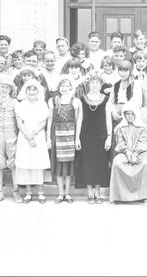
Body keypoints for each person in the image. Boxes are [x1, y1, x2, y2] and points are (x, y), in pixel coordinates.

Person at [75, 71, 112, 204]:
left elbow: (108, 119)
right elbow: (79, 119)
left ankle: (98, 191)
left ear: (101, 84)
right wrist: (77, 138)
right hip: (85, 134)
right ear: (88, 84)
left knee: (100, 163)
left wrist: (109, 137)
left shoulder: (106, 100)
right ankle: (89, 191)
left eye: (97, 82)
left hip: (101, 134)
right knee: (87, 163)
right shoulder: (82, 98)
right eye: (92, 82)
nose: (95, 85)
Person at [109, 102, 147, 203]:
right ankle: (120, 196)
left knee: (145, 164)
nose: (130, 116)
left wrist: (135, 153)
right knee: (117, 163)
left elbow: (143, 143)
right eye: (127, 114)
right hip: (124, 152)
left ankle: (143, 196)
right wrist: (127, 152)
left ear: (136, 115)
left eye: (132, 114)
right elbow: (120, 143)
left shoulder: (142, 128)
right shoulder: (120, 128)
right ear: (124, 115)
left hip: (140, 152)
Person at [47, 76, 82, 204]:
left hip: (70, 134)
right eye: (62, 85)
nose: (64, 88)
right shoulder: (53, 100)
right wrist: (48, 139)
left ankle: (67, 193)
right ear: (58, 87)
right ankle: (60, 193)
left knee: (68, 165)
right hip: (56, 133)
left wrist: (77, 138)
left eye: (67, 86)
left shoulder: (75, 101)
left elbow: (78, 120)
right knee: (58, 165)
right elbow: (50, 119)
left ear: (71, 87)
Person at [15, 79, 51, 204]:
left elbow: (43, 122)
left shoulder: (42, 104)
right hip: (24, 136)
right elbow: (19, 122)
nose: (31, 92)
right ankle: (28, 192)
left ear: (38, 91)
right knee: (26, 163)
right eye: (29, 89)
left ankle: (40, 192)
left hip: (38, 135)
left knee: (37, 163)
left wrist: (33, 134)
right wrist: (28, 136)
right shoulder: (21, 104)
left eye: (34, 89)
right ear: (25, 91)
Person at [0, 76, 22, 203]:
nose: (4, 89)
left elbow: (18, 118)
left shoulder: (15, 102)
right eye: (2, 86)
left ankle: (16, 191)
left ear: (11, 89)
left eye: (7, 87)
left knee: (13, 162)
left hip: (11, 133)